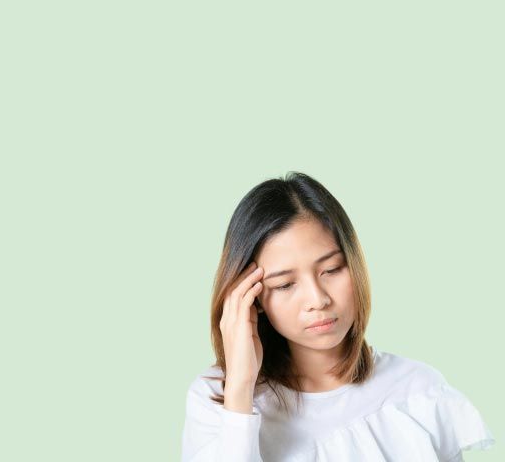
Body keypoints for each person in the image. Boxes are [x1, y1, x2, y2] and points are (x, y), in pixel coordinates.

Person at [181, 171, 495, 461]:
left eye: (331, 270)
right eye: (285, 284)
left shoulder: (419, 392)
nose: (318, 299)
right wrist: (241, 389)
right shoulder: (215, 399)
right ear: (253, 297)